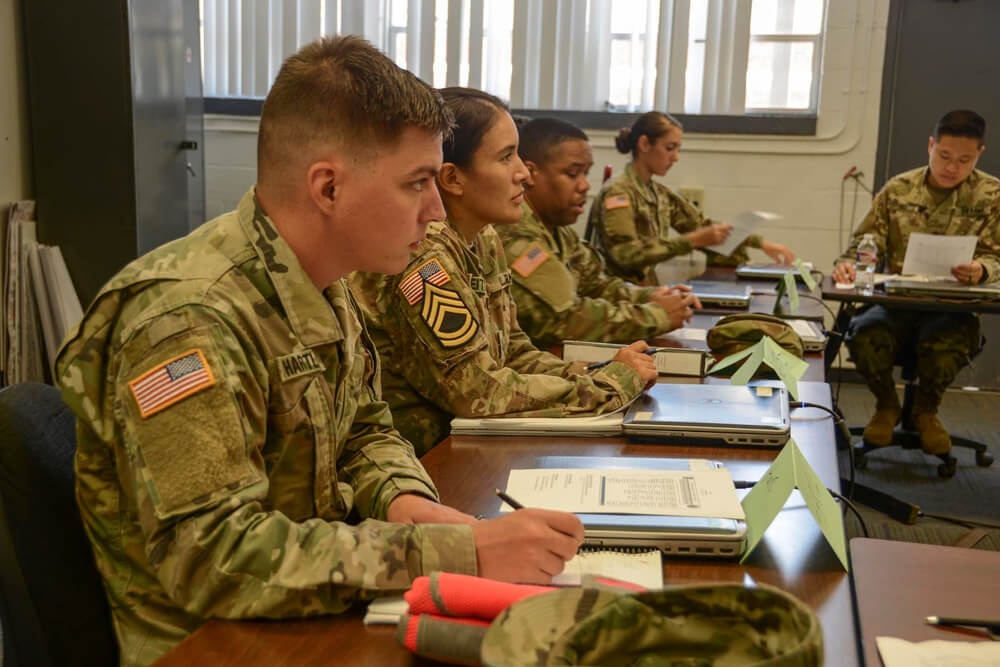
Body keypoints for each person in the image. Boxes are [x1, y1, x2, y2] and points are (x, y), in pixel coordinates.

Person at [54, 38, 584, 667]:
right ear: (328, 188)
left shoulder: (326, 282)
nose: (436, 210)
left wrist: (422, 512)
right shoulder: (188, 318)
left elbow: (363, 429)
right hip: (216, 642)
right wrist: (460, 555)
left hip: (308, 610)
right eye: (417, 183)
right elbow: (213, 560)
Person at [350, 89, 657, 455]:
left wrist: (595, 373)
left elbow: (513, 351)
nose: (525, 174)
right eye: (507, 157)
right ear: (453, 178)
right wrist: (610, 385)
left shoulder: (483, 238)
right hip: (427, 460)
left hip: (467, 444)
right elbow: (476, 390)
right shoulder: (425, 258)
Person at [832, 109, 999, 455]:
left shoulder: (992, 196)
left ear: (979, 154)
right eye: (944, 156)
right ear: (930, 146)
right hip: (897, 304)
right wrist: (848, 266)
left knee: (946, 347)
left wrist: (981, 270)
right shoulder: (898, 189)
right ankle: (887, 405)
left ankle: (926, 411)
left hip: (952, 308)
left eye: (964, 160)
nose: (952, 167)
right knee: (865, 336)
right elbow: (864, 242)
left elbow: (996, 256)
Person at [495, 117, 701, 349]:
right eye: (573, 174)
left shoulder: (559, 232)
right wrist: (656, 315)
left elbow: (596, 284)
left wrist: (652, 296)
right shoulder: (516, 233)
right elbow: (564, 320)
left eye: (586, 174)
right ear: (530, 173)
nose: (585, 186)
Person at [589, 111, 795, 285]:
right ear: (644, 144)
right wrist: (692, 241)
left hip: (645, 292)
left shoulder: (657, 192)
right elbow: (626, 255)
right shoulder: (618, 193)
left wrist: (761, 243)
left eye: (678, 149)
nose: (676, 157)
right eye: (669, 148)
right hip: (616, 297)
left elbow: (700, 226)